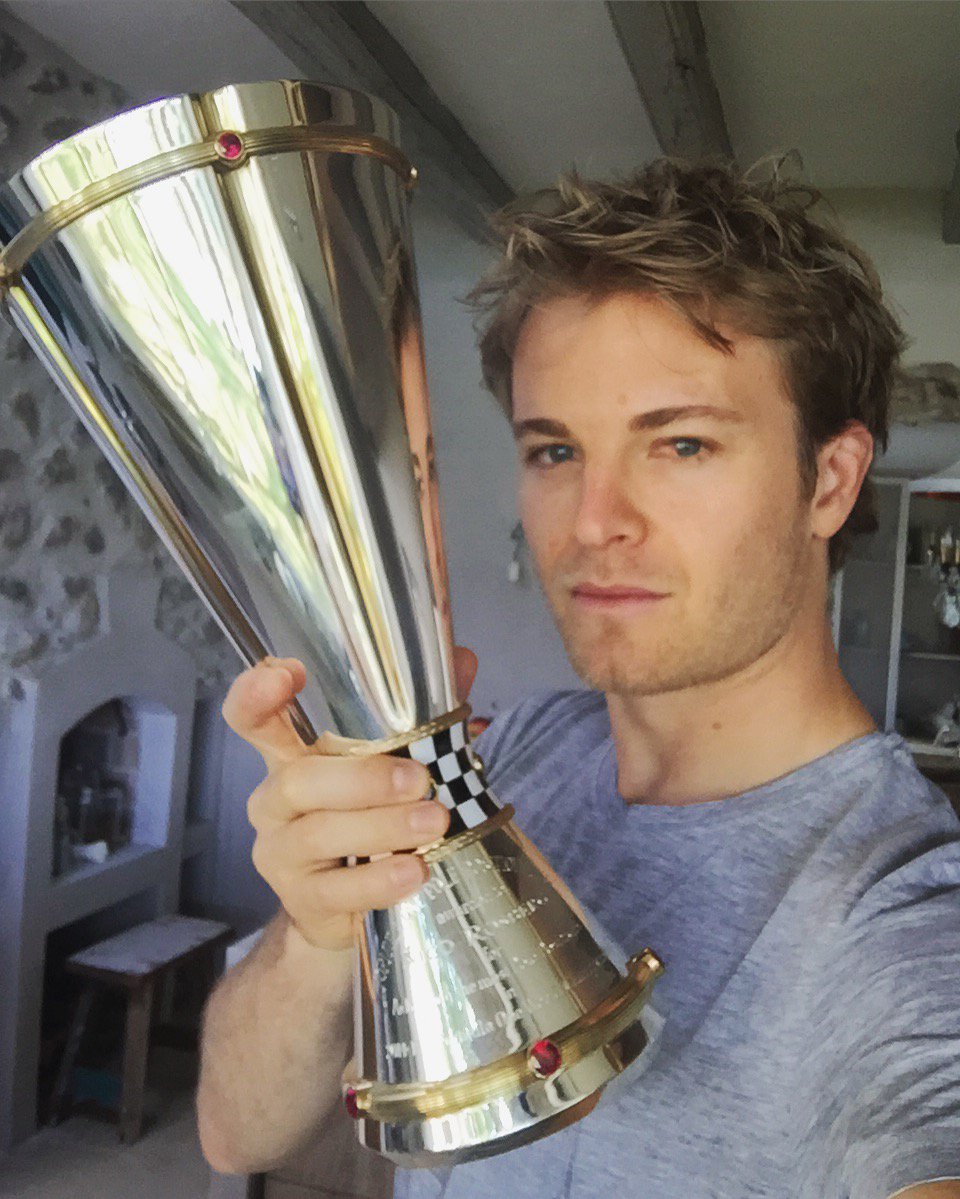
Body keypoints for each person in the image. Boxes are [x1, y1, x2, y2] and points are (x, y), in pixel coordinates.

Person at [196, 158, 960, 1199]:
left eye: (680, 443)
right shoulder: (504, 758)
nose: (596, 521)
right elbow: (237, 1131)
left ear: (829, 480)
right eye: (555, 451)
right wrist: (318, 932)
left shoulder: (900, 911)